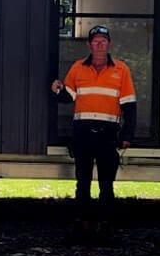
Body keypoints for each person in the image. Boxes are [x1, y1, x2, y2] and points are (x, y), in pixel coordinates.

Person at [50, 24, 136, 235]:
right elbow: (67, 98)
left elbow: (129, 105)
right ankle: (82, 223)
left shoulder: (121, 69)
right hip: (83, 133)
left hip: (108, 135)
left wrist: (127, 135)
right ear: (89, 45)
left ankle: (106, 224)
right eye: (95, 41)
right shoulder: (78, 68)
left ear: (109, 44)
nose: (99, 44)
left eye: (103, 41)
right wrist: (57, 89)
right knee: (83, 182)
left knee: (107, 184)